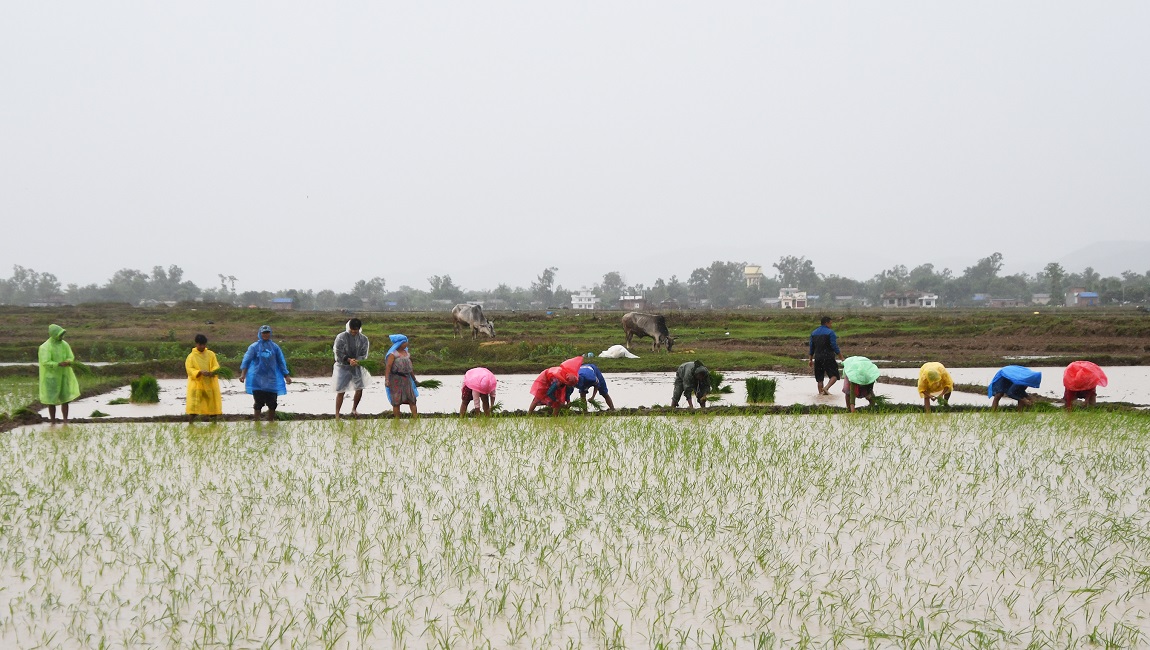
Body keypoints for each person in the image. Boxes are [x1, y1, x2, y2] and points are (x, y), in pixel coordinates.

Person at [238, 325, 293, 422]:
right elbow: (247, 360)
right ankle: (257, 422)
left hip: (271, 379)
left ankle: (271, 421)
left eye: (267, 333)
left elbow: (281, 362)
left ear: (270, 333)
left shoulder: (275, 347)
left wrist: (286, 376)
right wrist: (243, 374)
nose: (266, 335)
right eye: (264, 333)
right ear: (260, 334)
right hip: (257, 379)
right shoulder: (254, 347)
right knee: (258, 403)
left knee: (272, 403)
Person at [38, 323, 80, 424]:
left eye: (62, 335)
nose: (62, 337)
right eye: (60, 335)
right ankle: (53, 421)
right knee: (51, 401)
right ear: (53, 334)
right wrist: (58, 364)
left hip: (64, 375)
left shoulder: (65, 344)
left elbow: (70, 356)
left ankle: (65, 420)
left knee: (65, 399)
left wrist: (68, 361)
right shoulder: (45, 347)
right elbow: (45, 362)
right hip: (51, 378)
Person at [332, 319, 370, 419]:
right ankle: (337, 413)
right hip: (343, 366)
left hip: (357, 366)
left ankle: (354, 409)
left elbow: (364, 353)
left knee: (359, 388)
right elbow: (338, 352)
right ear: (349, 328)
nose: (353, 333)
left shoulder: (363, 339)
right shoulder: (341, 337)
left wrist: (357, 361)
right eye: (352, 330)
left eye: (356, 331)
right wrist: (348, 360)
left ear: (359, 329)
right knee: (341, 390)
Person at [185, 334, 222, 419]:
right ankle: (191, 424)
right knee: (194, 407)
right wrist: (199, 372)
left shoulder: (211, 354)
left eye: (203, 345)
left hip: (210, 383)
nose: (202, 346)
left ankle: (214, 424)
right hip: (197, 385)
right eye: (200, 345)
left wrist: (212, 372)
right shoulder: (191, 356)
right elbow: (190, 369)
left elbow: (215, 365)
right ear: (196, 344)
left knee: (212, 405)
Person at [384, 334, 419, 419]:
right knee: (396, 400)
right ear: (400, 343)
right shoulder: (393, 354)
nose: (406, 344)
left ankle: (415, 418)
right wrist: (387, 379)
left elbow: (410, 369)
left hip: (407, 379)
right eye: (405, 342)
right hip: (396, 379)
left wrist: (414, 379)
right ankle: (397, 420)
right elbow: (388, 366)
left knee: (412, 399)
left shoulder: (406, 353)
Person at [808, 316, 844, 395]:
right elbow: (834, 346)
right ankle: (826, 388)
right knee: (834, 375)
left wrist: (810, 360)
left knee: (820, 379)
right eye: (831, 323)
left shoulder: (814, 333)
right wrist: (841, 357)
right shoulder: (830, 333)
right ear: (827, 323)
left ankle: (821, 395)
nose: (831, 325)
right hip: (828, 357)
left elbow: (811, 347)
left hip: (818, 358)